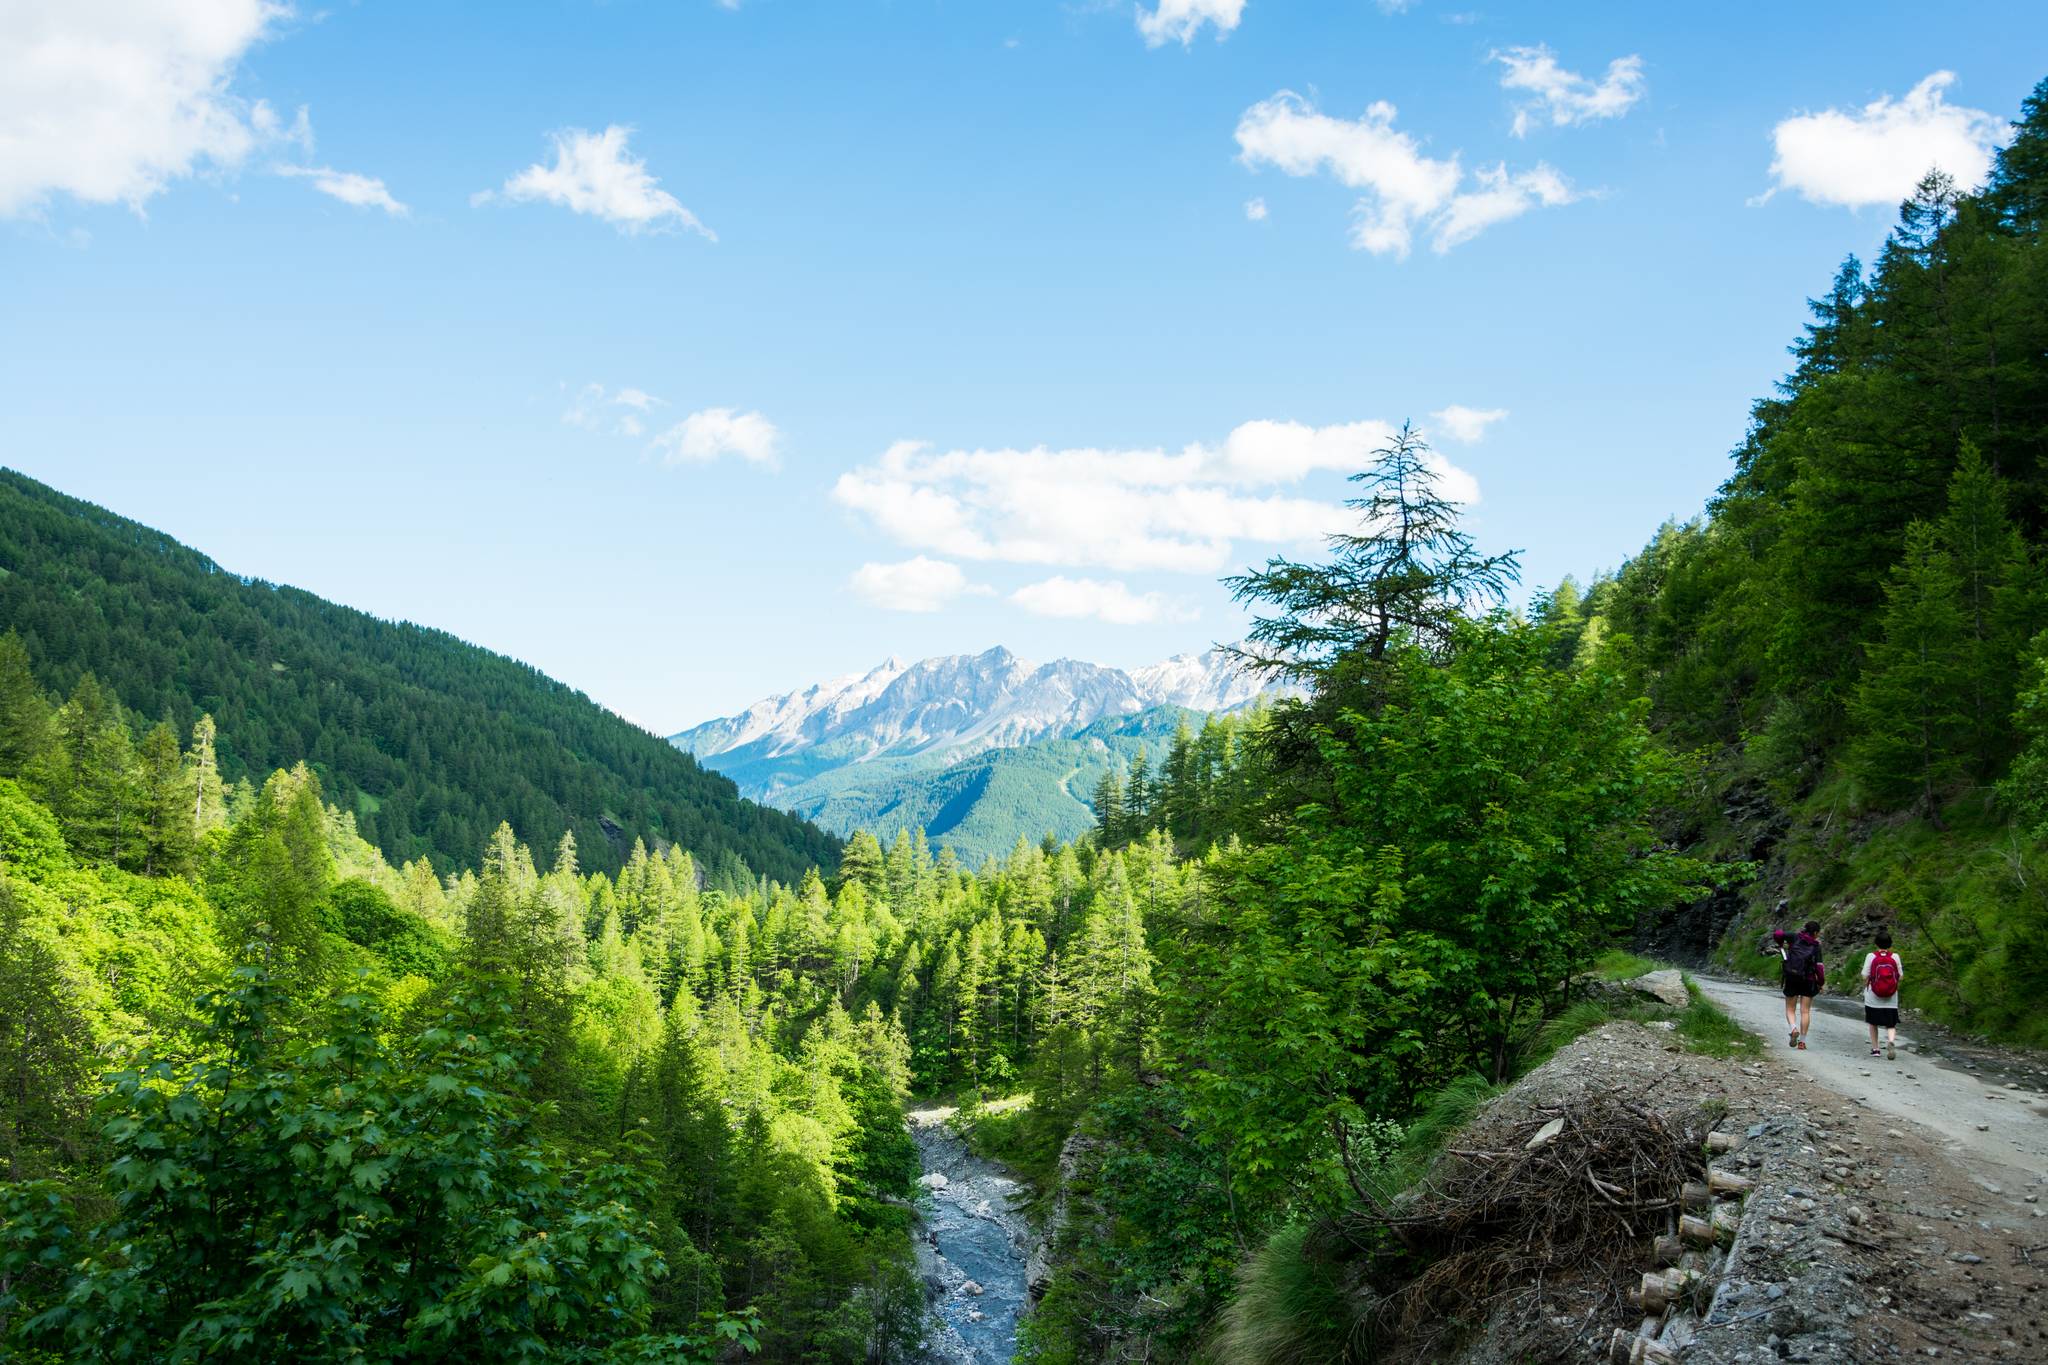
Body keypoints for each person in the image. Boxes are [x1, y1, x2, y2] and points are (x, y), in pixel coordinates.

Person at [1764, 916, 1824, 1049]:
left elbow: (1778, 933)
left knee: (1790, 1008)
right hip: (1808, 980)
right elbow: (1819, 967)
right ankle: (1802, 1042)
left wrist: (1780, 944)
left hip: (1792, 977)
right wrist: (1820, 983)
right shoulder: (1816, 946)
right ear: (1815, 933)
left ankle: (1793, 1029)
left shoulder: (1794, 937)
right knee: (1805, 1011)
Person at [1860, 929, 1903, 1061]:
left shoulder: (1871, 956)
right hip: (1891, 997)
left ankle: (1876, 1049)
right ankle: (1890, 1041)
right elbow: (1900, 976)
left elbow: (1864, 975)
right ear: (1890, 944)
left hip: (1874, 996)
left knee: (1873, 1023)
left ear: (1876, 944)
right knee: (1891, 1024)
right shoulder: (1895, 957)